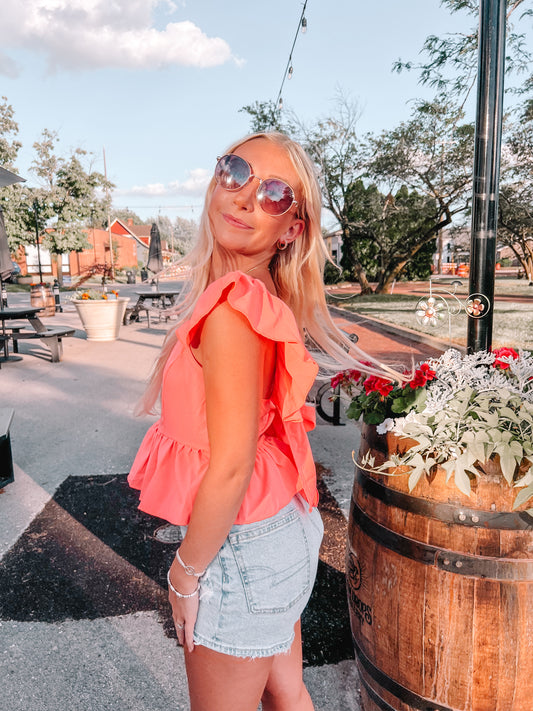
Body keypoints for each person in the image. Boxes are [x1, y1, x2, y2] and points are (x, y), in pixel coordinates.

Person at [128, 132, 394, 711]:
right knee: (286, 693)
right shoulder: (259, 295)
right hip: (279, 529)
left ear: (292, 229)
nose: (247, 197)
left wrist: (183, 572)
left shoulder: (231, 310)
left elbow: (229, 466)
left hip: (243, 544)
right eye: (236, 172)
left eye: (275, 195)